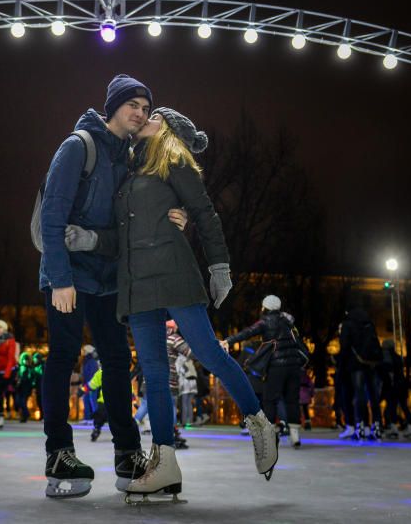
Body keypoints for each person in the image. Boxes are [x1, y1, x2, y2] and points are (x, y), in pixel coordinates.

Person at [67, 107, 279, 499]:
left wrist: (219, 266)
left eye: (154, 116)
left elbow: (205, 212)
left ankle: (260, 422)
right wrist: (90, 240)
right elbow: (122, 235)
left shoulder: (175, 160)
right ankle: (164, 461)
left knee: (209, 353)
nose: (146, 117)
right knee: (152, 373)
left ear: (168, 130)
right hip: (138, 284)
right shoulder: (130, 173)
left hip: (172, 272)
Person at [39, 74, 188, 499]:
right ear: (114, 107)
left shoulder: (130, 157)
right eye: (133, 105)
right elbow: (52, 218)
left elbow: (128, 225)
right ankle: (59, 453)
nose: (140, 112)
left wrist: (176, 215)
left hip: (106, 279)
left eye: (145, 107)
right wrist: (60, 279)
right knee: (64, 355)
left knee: (118, 360)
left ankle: (128, 453)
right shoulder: (77, 147)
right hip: (68, 275)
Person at [225, 295, 305, 448]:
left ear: (265, 307)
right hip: (295, 365)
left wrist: (228, 341)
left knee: (270, 399)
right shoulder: (288, 321)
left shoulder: (266, 321)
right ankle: (295, 436)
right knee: (292, 400)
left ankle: (270, 435)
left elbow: (248, 332)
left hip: (276, 365)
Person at [339, 302, 383, 440]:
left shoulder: (348, 323)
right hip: (371, 364)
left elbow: (345, 345)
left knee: (359, 395)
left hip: (355, 364)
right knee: (373, 395)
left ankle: (360, 427)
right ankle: (376, 427)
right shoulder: (369, 323)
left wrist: (342, 364)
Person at [379, 339, 411, 438]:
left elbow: (387, 371)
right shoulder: (398, 357)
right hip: (402, 385)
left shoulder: (385, 356)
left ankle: (393, 428)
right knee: (404, 406)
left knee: (392, 407)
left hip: (393, 386)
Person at [87, 367, 108, 442]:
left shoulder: (101, 372)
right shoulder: (121, 370)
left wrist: (82, 390)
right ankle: (97, 428)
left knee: (100, 416)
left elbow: (92, 384)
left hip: (105, 400)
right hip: (116, 401)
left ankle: (96, 428)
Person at [80, 344, 100, 424]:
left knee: (92, 401)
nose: (82, 352)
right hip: (87, 384)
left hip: (91, 384)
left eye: (84, 350)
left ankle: (96, 418)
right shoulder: (87, 361)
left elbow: (92, 374)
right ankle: (88, 418)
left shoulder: (91, 361)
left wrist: (89, 384)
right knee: (87, 400)